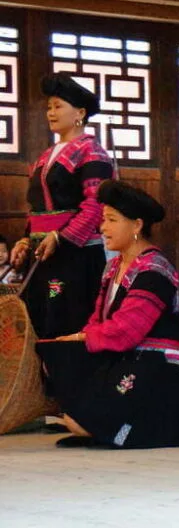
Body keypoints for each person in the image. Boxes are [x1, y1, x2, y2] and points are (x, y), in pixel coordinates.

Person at [34, 181, 179, 449]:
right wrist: (73, 342)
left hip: (157, 367)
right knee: (62, 362)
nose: (102, 228)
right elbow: (97, 322)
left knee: (82, 422)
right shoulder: (112, 268)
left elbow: (125, 330)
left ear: (136, 225)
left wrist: (78, 337)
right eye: (102, 220)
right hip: (126, 359)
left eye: (111, 220)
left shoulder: (154, 269)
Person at [10, 73, 114, 339]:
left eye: (58, 106)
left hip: (75, 256)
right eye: (48, 107)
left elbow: (95, 203)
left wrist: (61, 237)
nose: (50, 113)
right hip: (42, 253)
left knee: (67, 322)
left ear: (79, 112)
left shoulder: (93, 152)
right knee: (41, 320)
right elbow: (36, 208)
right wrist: (25, 240)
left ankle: (72, 379)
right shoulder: (46, 156)